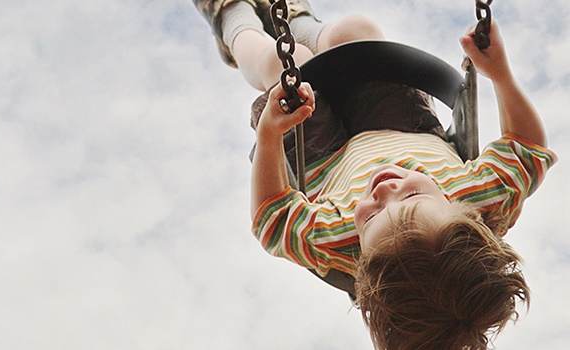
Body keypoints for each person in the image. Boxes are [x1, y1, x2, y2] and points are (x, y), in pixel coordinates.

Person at [194, 1, 557, 349]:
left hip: (322, 157)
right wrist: (500, 74)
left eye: (370, 218)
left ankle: (231, 20)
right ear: (458, 209)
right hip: (405, 127)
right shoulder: (483, 198)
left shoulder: (337, 241)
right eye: (413, 196)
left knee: (284, 64)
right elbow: (527, 146)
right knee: (357, 31)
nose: (385, 190)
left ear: (360, 259)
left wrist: (270, 135)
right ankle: (294, 18)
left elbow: (272, 220)